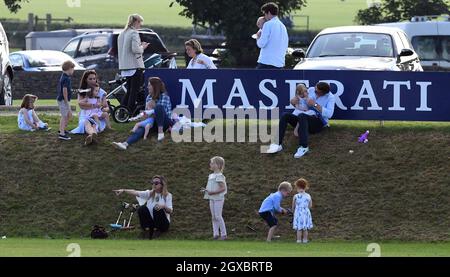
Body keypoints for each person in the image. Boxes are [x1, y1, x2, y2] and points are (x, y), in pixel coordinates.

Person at [266, 82, 336, 158]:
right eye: (315, 89)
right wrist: (293, 102)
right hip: (303, 117)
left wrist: (315, 104)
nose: (314, 90)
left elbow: (329, 114)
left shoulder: (330, 97)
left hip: (317, 122)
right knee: (285, 115)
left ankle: (304, 147)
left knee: (302, 116)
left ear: (322, 93)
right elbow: (302, 101)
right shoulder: (311, 89)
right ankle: (277, 144)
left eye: (316, 91)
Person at [112, 77, 173, 150]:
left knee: (159, 107)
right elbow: (147, 114)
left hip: (164, 123)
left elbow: (163, 114)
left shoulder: (164, 97)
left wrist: (151, 113)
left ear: (155, 86)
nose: (147, 87)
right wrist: (144, 117)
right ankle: (125, 144)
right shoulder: (148, 97)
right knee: (141, 129)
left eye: (149, 85)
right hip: (152, 123)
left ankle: (160, 133)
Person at [113, 175, 173, 240]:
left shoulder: (167, 195)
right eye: (152, 183)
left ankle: (156, 232)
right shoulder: (149, 193)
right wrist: (123, 190)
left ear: (162, 184)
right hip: (152, 223)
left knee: (157, 209)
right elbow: (135, 192)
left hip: (163, 224)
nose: (153, 185)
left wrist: (163, 206)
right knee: (142, 209)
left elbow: (170, 211)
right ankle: (147, 231)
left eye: (156, 183)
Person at [118, 14, 149, 110]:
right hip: (135, 65)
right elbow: (136, 49)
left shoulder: (122, 33)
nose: (140, 25)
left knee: (129, 91)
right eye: (139, 22)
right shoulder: (134, 33)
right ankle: (129, 112)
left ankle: (122, 111)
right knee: (134, 91)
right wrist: (142, 47)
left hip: (125, 66)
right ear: (135, 22)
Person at [201, 156, 228, 240]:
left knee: (218, 216)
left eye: (212, 163)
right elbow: (212, 186)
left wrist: (212, 192)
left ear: (218, 165)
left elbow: (223, 188)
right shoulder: (211, 175)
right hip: (212, 198)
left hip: (218, 198)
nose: (210, 164)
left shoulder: (220, 176)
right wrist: (207, 190)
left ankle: (224, 234)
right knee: (213, 216)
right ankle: (215, 234)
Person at [256, 2, 289, 69]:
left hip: (266, 63)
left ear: (269, 13)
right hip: (279, 63)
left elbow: (261, 44)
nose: (264, 16)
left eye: (265, 14)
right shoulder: (283, 26)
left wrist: (258, 37)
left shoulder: (267, 24)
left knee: (253, 79)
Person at [56, 60, 75, 140]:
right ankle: (62, 134)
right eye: (73, 69)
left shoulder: (64, 76)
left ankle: (62, 129)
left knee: (66, 116)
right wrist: (67, 103)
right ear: (69, 68)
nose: (73, 70)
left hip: (63, 100)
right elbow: (64, 91)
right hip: (63, 100)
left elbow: (66, 89)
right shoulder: (66, 78)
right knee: (64, 116)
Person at [292, 178, 313, 243]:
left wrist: (293, 211)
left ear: (297, 186)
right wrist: (306, 209)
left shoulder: (296, 196)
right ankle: (305, 240)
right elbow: (310, 205)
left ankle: (298, 240)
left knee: (299, 227)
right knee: (305, 227)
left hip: (298, 212)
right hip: (306, 212)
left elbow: (293, 205)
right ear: (305, 186)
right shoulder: (308, 196)